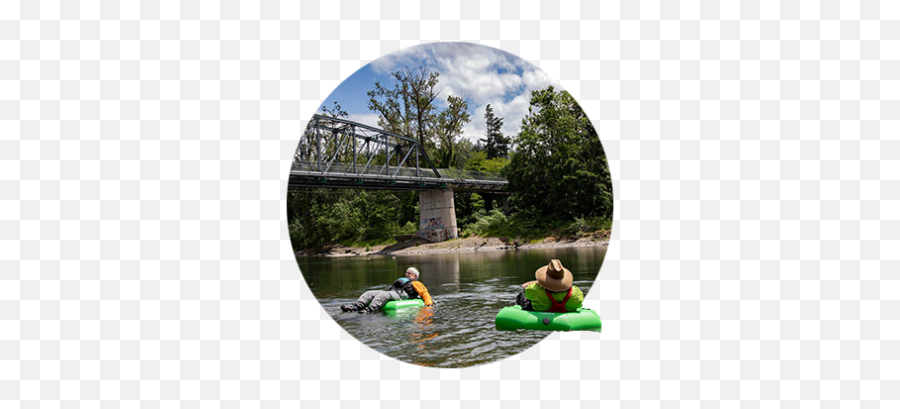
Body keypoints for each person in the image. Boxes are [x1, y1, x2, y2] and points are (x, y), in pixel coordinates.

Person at [340, 267, 434, 313]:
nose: (406, 274)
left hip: (401, 297)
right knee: (369, 293)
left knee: (385, 295)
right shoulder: (404, 280)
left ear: (415, 276)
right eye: (406, 272)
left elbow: (424, 293)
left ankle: (369, 310)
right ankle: (355, 307)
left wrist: (429, 305)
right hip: (393, 293)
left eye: (409, 273)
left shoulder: (417, 283)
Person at [516, 259, 584, 312]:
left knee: (523, 293)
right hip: (568, 312)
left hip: (540, 311)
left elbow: (524, 286)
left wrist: (540, 283)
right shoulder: (576, 292)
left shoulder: (535, 290)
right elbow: (579, 305)